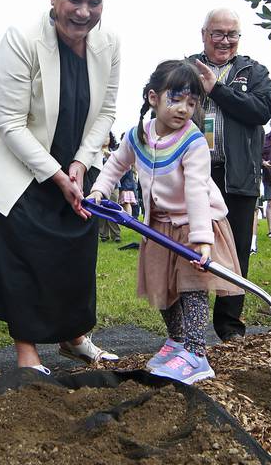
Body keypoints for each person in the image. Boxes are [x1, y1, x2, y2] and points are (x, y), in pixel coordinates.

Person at [0, 0, 122, 370]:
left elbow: (107, 110)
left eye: (94, 2)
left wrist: (81, 161)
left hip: (74, 161)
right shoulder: (22, 39)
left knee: (75, 252)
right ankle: (27, 352)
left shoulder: (108, 43)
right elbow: (10, 124)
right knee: (25, 255)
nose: (83, 11)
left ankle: (74, 338)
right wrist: (56, 173)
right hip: (15, 166)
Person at [87, 60, 242, 383]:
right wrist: (99, 190)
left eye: (192, 102)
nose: (184, 109)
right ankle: (177, 340)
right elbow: (116, 164)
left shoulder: (193, 141)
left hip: (194, 223)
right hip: (156, 224)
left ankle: (197, 354)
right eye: (176, 99)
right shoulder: (137, 136)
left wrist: (201, 239)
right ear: (153, 97)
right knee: (161, 285)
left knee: (191, 287)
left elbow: (197, 189)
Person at [187, 9, 271, 340]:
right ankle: (188, 326)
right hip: (195, 175)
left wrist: (217, 90)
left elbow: (261, 111)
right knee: (189, 247)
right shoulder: (187, 68)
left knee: (237, 250)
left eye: (232, 34)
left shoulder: (253, 71)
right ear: (203, 34)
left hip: (239, 176)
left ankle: (229, 326)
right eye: (217, 33)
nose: (225, 41)